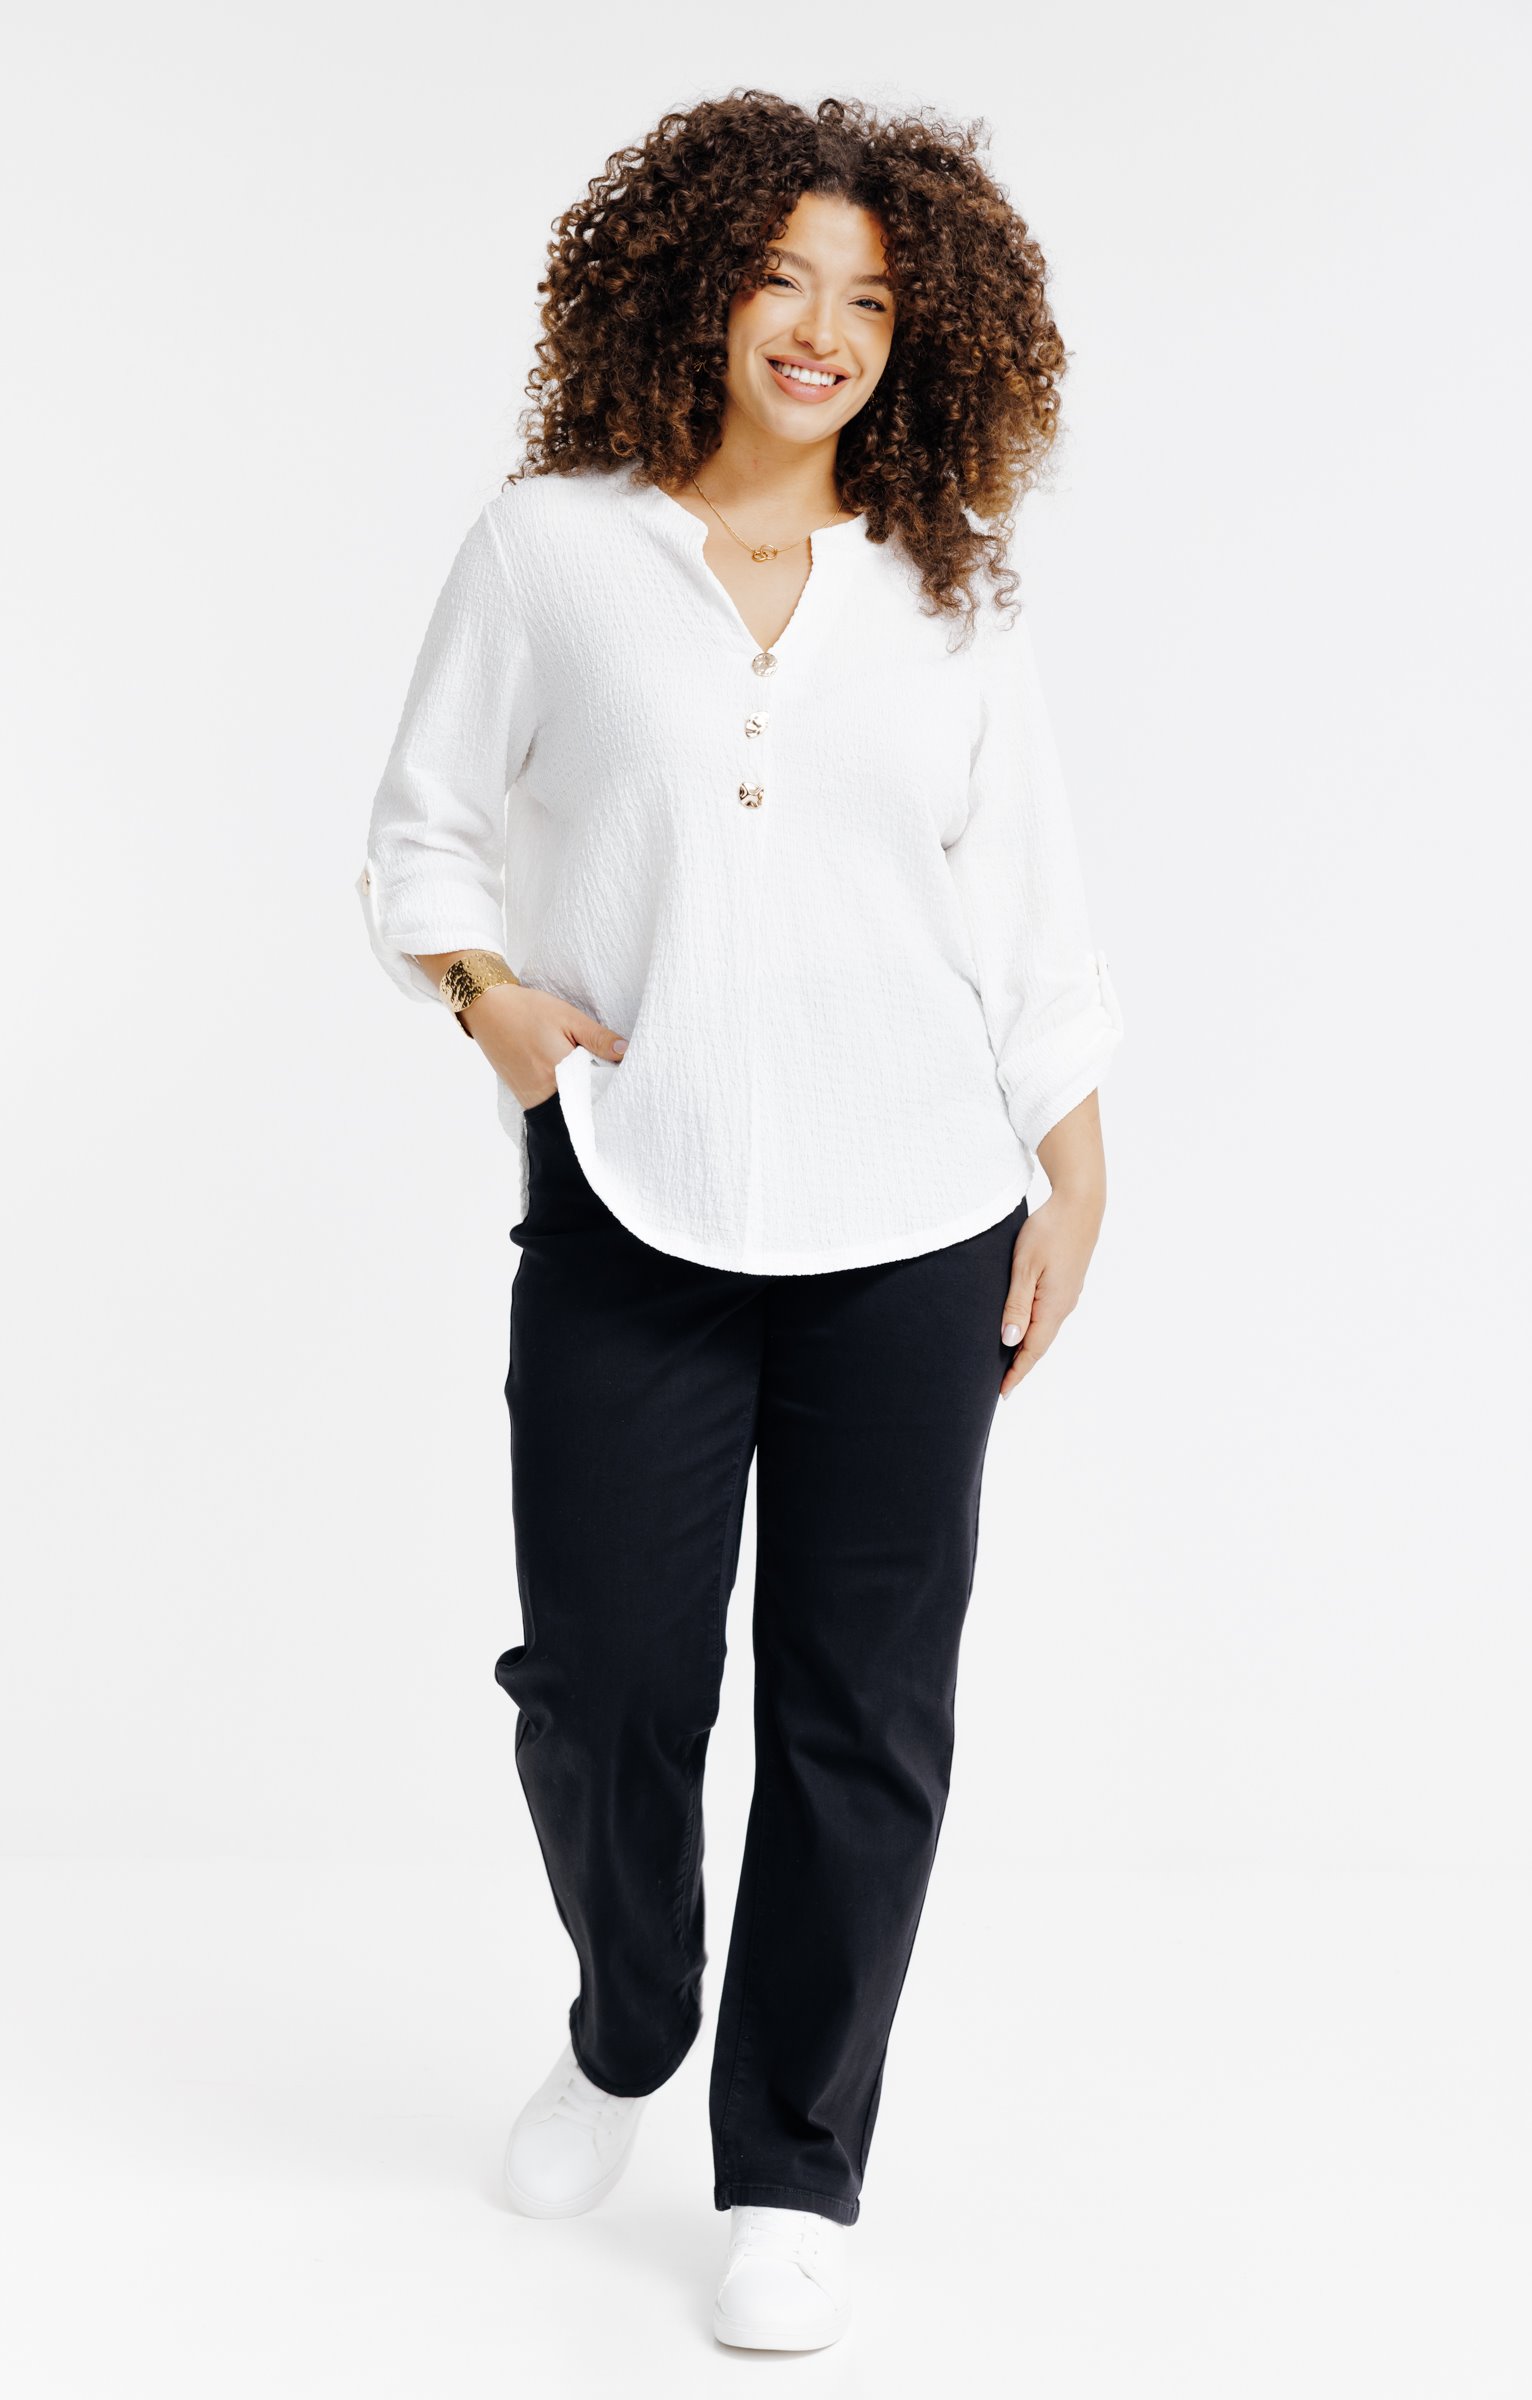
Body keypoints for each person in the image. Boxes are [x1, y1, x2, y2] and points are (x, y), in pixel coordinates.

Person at [356, 89, 1124, 2353]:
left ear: (923, 336)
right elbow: (420, 839)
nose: (822, 329)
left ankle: (792, 2166)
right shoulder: (550, 552)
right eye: (783, 276)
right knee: (601, 1686)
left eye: (871, 299)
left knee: (860, 1711)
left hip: (920, 1216)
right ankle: (627, 2024)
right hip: (631, 1191)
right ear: (698, 286)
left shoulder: (946, 592)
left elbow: (1031, 916)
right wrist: (492, 1004)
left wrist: (1077, 1168)